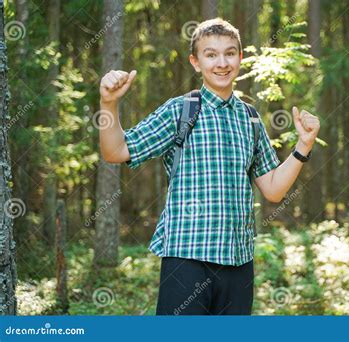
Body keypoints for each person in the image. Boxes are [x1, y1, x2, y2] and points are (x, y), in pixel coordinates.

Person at [98, 18, 320, 315]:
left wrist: (303, 145)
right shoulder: (180, 109)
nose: (222, 62)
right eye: (211, 54)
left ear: (240, 57)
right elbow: (116, 151)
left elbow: (274, 189)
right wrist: (108, 103)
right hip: (187, 259)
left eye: (230, 53)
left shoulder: (250, 119)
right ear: (195, 62)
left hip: (238, 263)